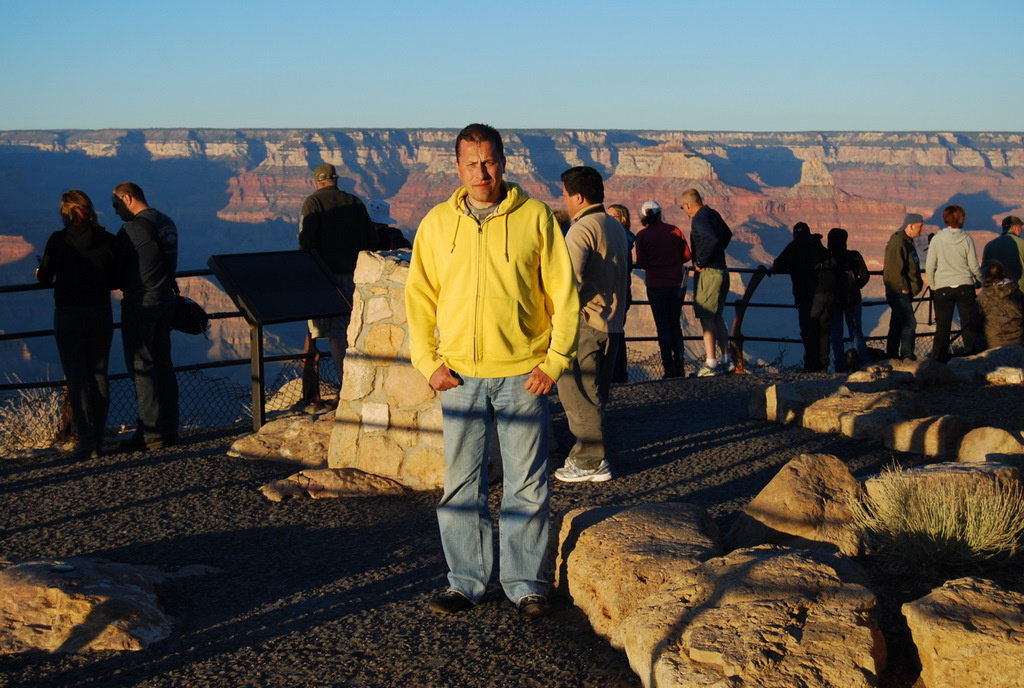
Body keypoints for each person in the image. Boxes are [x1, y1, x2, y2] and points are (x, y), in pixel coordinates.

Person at [405, 124, 579, 621]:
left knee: (528, 483)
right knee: (461, 484)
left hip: (523, 374)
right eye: (470, 163)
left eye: (489, 161)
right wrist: (428, 363)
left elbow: (563, 297)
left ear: (503, 161)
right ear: (456, 168)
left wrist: (553, 362)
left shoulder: (536, 218)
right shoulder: (437, 224)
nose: (481, 172)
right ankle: (465, 582)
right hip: (458, 376)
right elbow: (419, 299)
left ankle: (526, 584)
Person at [554, 166, 629, 483]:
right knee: (595, 393)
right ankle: (587, 456)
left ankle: (589, 462)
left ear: (578, 196)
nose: (565, 201)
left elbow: (567, 279)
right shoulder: (613, 225)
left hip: (586, 322)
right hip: (613, 324)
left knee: (577, 392)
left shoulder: (581, 229)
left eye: (565, 195)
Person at [36, 190, 118, 460]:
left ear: (66, 213)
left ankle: (86, 442)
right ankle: (98, 439)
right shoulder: (107, 239)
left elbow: (45, 277)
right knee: (99, 376)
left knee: (77, 378)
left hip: (69, 314)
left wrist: (41, 271)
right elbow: (118, 277)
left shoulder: (58, 240)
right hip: (100, 313)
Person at [112, 182, 180, 451]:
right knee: (163, 363)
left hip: (141, 302)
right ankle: (170, 427)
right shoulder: (167, 222)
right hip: (167, 299)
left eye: (117, 206)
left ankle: (150, 433)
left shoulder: (131, 230)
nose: (117, 212)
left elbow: (113, 267)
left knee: (142, 367)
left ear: (127, 199)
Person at [298, 164, 379, 383]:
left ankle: (347, 385)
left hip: (328, 277)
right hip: (356, 276)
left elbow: (307, 240)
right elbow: (372, 240)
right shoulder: (354, 201)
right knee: (357, 331)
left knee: (335, 334)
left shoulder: (313, 202)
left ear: (316, 182)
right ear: (336, 180)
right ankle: (364, 382)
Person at [632, 200, 691, 378]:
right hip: (676, 285)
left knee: (662, 326)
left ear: (643, 216)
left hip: (656, 286)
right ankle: (680, 363)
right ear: (660, 213)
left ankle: (668, 367)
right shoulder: (675, 230)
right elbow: (687, 256)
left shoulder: (642, 236)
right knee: (675, 325)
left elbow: (642, 263)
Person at [679, 189, 733, 376]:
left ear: (688, 205)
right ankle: (727, 360)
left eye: (683, 207)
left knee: (707, 317)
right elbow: (727, 234)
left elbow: (713, 239)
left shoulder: (699, 219)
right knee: (717, 316)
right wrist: (717, 254)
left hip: (709, 273)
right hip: (722, 269)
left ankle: (711, 364)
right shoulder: (712, 213)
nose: (684, 211)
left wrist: (700, 261)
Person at [771, 222, 837, 372]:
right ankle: (823, 366)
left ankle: (811, 367)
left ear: (795, 234)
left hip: (810, 296)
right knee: (824, 331)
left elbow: (778, 264)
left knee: (809, 331)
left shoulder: (795, 246)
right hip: (829, 294)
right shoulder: (818, 245)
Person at [925, 204, 982, 362]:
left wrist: (933, 285)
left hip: (943, 287)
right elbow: (974, 266)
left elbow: (929, 266)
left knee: (942, 326)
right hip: (965, 285)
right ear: (961, 219)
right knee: (968, 324)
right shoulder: (967, 239)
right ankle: (971, 358)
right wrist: (980, 280)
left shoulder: (937, 239)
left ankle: (938, 359)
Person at [827, 227, 871, 371]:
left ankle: (840, 366)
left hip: (833, 301)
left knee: (836, 335)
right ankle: (864, 363)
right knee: (856, 333)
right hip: (852, 299)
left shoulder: (827, 258)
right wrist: (855, 287)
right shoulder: (854, 256)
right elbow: (865, 276)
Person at [883, 213, 925, 360]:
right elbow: (893, 270)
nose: (922, 229)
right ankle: (907, 355)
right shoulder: (898, 242)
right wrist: (904, 288)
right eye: (920, 226)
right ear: (910, 225)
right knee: (909, 323)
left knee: (897, 324)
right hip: (899, 291)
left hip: (904, 291)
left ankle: (892, 356)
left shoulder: (907, 241)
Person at [607, 204, 635, 384]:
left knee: (613, 334)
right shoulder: (626, 237)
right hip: (621, 291)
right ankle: (618, 374)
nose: (609, 219)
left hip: (618, 292)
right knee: (617, 333)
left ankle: (615, 374)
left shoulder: (621, 238)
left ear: (623, 219)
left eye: (613, 216)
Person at [976, 261, 1024, 349]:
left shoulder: (984, 297)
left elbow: (973, 324)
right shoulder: (1017, 294)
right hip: (1017, 343)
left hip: (992, 344)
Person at [981, 215, 1024, 292]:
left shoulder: (990, 245)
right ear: (1015, 228)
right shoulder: (1022, 244)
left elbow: (984, 270)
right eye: (1021, 227)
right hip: (1019, 291)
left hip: (995, 292)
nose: (1021, 230)